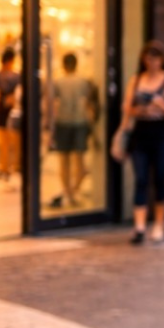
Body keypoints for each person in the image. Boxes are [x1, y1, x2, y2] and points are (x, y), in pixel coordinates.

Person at [115, 42, 164, 244]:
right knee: (141, 177)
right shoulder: (136, 80)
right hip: (140, 132)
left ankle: (159, 224)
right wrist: (137, 113)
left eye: (155, 58)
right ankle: (139, 226)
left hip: (161, 132)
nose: (151, 63)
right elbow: (127, 109)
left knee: (160, 177)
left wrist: (162, 106)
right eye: (147, 58)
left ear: (162, 59)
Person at [47, 53, 100, 210]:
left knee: (64, 161)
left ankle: (68, 193)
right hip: (79, 122)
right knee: (80, 161)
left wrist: (49, 127)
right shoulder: (84, 82)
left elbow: (52, 105)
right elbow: (90, 105)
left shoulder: (58, 82)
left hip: (63, 122)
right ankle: (73, 192)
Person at [0, 48, 22, 184]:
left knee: (3, 143)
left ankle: (4, 166)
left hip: (4, 112)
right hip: (10, 112)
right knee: (8, 142)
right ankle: (6, 166)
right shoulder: (15, 76)